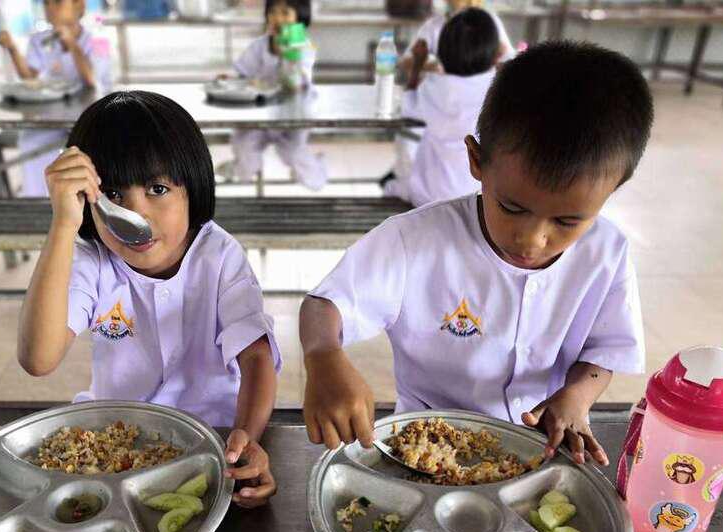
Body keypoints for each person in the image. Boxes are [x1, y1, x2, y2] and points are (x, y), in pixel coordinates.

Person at [300, 41, 654, 466]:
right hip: (428, 445)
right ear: (476, 160)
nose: (532, 240)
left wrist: (577, 397)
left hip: (537, 443)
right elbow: (325, 304)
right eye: (513, 208)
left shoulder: (607, 253)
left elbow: (604, 350)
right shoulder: (416, 240)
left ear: (611, 193)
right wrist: (323, 356)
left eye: (566, 221)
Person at [18, 91, 279, 507]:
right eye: (113, 196)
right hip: (117, 445)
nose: (136, 215)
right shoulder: (92, 260)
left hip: (213, 438)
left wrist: (246, 436)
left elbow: (257, 358)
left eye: (157, 189)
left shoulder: (218, 256)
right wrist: (63, 223)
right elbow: (38, 359)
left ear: (193, 188)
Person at [388, 0, 515, 189]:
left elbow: (408, 110)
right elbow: (510, 62)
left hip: (430, 192)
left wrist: (418, 66)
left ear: (443, 53)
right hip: (478, 190)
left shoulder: (430, 88)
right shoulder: (497, 92)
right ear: (494, 55)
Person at [0, 0, 111, 196]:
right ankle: (39, 200)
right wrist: (12, 48)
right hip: (52, 114)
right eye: (46, 3)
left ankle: (89, 200)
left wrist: (72, 43)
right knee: (30, 142)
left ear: (79, 5)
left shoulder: (99, 39)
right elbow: (30, 78)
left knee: (89, 149)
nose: (50, 8)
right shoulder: (40, 39)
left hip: (92, 116)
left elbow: (93, 80)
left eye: (57, 2)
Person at [228, 0, 327, 191]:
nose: (277, 18)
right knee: (246, 155)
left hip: (294, 116)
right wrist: (232, 79)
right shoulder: (260, 45)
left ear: (299, 19)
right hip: (259, 115)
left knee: (296, 158)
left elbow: (297, 84)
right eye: (272, 12)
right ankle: (240, 169)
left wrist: (288, 54)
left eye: (285, 13)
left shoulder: (304, 47)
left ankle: (319, 168)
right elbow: (242, 72)